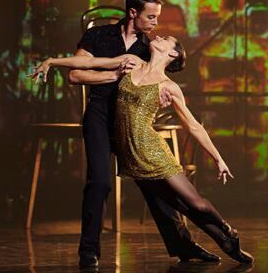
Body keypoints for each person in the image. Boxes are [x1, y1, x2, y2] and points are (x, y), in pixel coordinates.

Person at [33, 34, 254, 265]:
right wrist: (51, 61)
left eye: (166, 38)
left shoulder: (169, 86)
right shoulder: (131, 62)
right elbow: (89, 63)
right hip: (130, 154)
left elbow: (193, 125)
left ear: (173, 53)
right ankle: (216, 242)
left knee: (194, 203)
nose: (158, 35)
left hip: (152, 151)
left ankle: (229, 235)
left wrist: (218, 159)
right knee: (176, 205)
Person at [44, 0, 221, 268]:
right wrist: (113, 75)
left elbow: (158, 80)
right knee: (99, 182)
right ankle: (88, 251)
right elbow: (76, 74)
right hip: (101, 115)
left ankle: (184, 247)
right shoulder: (98, 36)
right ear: (132, 13)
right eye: (150, 16)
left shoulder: (148, 47)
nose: (155, 23)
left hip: (132, 121)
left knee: (154, 184)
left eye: (157, 17)